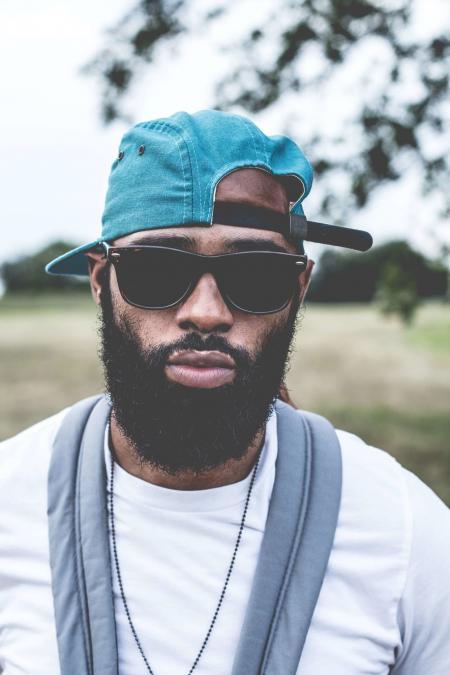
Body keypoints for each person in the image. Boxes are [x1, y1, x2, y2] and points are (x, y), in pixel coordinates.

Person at [0, 110, 449, 675]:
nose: (206, 313)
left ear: (298, 287)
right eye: (157, 270)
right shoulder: (10, 502)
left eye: (256, 274)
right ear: (101, 281)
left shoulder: (404, 532)